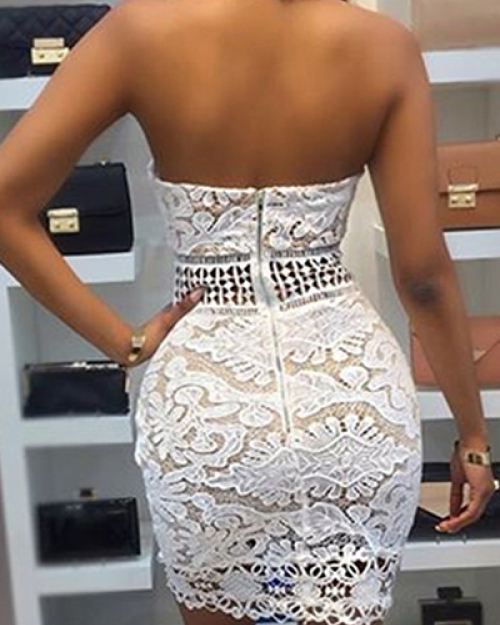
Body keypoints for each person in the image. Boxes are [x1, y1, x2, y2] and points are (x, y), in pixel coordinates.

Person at [0, 0, 496, 623]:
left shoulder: (139, 30)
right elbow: (422, 277)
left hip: (208, 409)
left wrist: (124, 342)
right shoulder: (385, 46)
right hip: (350, 406)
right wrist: (474, 440)